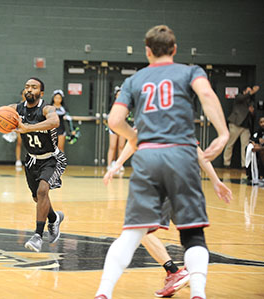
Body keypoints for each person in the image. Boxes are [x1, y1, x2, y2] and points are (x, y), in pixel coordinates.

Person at [94, 25, 229, 299]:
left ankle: (104, 292)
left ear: (147, 51)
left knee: (132, 233)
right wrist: (223, 133)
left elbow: (115, 121)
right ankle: (198, 294)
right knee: (192, 235)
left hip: (147, 156)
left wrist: (136, 138)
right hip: (182, 154)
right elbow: (205, 95)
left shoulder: (135, 80)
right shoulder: (191, 71)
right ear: (175, 49)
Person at [104, 140, 233, 297]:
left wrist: (117, 164)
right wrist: (215, 180)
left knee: (140, 230)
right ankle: (194, 277)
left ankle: (173, 272)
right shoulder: (180, 120)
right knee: (192, 234)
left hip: (166, 178)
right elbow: (198, 152)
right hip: (189, 180)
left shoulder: (152, 118)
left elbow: (131, 138)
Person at [0, 77, 67, 252]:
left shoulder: (47, 108)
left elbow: (55, 122)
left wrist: (28, 128)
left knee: (43, 191)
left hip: (51, 158)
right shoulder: (16, 109)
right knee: (38, 198)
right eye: (27, 87)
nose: (29, 90)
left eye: (34, 87)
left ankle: (37, 236)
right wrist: (0, 125)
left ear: (41, 93)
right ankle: (53, 218)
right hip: (31, 159)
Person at [223, 85, 260, 168]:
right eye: (248, 91)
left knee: (245, 146)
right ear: (244, 91)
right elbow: (243, 98)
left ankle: (245, 164)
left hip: (246, 126)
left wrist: (252, 112)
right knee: (230, 144)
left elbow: (253, 116)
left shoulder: (251, 102)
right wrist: (252, 92)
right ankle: (226, 163)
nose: (250, 93)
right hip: (236, 124)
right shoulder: (239, 97)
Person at [106, 86, 126, 172]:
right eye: (118, 94)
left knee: (121, 146)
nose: (119, 96)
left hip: (123, 127)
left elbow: (127, 116)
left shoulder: (126, 105)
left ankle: (120, 164)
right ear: (115, 96)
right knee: (112, 146)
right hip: (113, 128)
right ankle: (109, 164)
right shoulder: (112, 106)